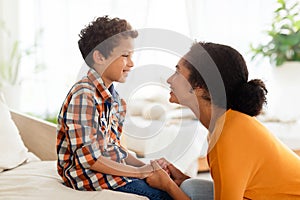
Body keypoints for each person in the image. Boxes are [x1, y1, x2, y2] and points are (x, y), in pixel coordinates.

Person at [146, 42, 300, 200]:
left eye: (178, 73)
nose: (169, 79)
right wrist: (180, 179)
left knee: (185, 190)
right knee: (190, 186)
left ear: (198, 86)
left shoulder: (230, 134)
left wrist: (169, 186)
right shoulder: (224, 126)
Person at [56, 16, 171, 200]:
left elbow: (113, 148)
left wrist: (146, 166)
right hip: (90, 179)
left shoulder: (115, 99)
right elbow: (90, 159)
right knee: (163, 196)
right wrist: (141, 172)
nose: (132, 63)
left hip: (110, 174)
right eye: (125, 56)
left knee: (170, 184)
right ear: (99, 56)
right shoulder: (84, 95)